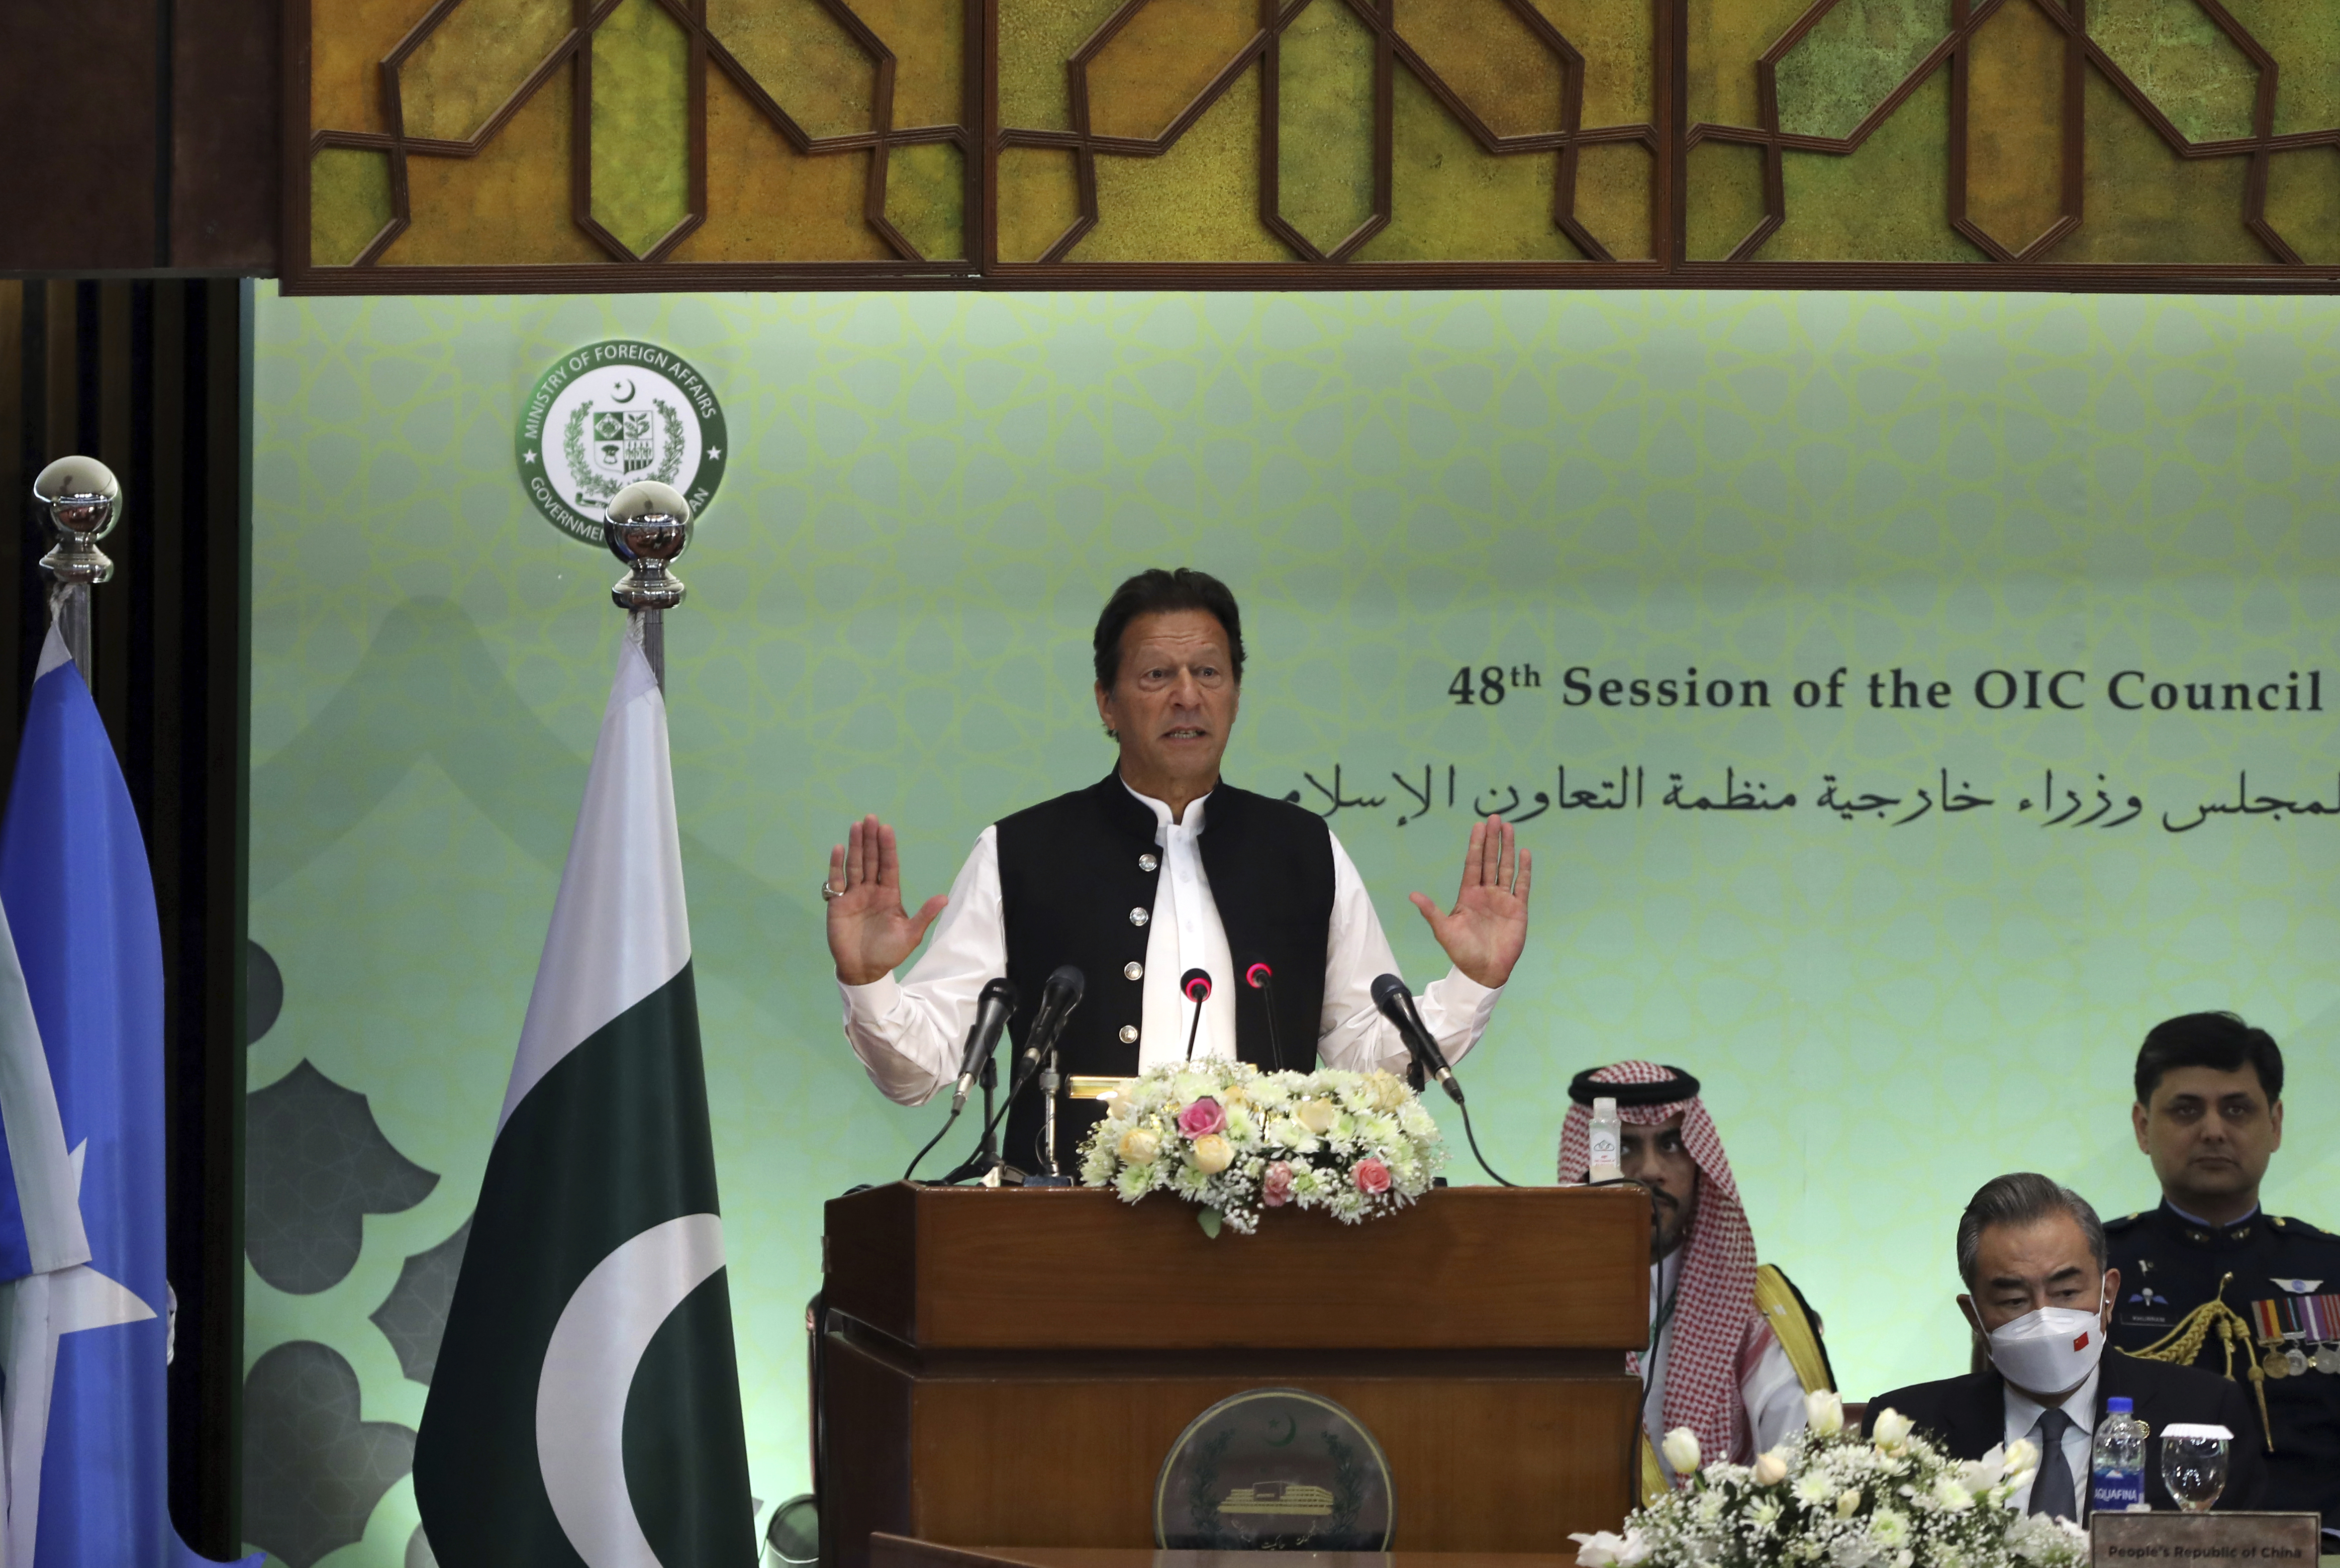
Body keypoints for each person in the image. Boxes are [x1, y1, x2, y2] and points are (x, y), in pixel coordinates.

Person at [825, 567, 1533, 1172]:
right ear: (1107, 702)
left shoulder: (1303, 849)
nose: (1187, 696)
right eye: (1157, 675)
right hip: (1061, 1248)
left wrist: (1472, 985)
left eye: (1209, 674)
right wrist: (869, 983)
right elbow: (922, 1074)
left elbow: (1365, 1068)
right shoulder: (1022, 850)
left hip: (1266, 1239)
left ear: (1235, 693)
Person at [1865, 1172, 2265, 1517]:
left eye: (2067, 1292)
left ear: (2108, 1296)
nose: (2044, 1318)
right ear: (1975, 1318)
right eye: (2013, 1301)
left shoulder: (2205, 1412)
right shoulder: (1905, 1426)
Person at [2105, 1012, 2338, 1540]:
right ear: (2143, 1127)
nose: (2213, 1130)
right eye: (2186, 1110)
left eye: (2236, 1109)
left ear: (2274, 1125)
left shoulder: (2330, 1270)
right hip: (2136, 1554)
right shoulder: (2093, 1271)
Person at [1558, 1062, 1835, 1495]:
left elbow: (1793, 1472)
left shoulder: (1757, 1311)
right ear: (1587, 1166)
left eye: (1671, 1143)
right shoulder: (1540, 1308)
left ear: (1699, 1161)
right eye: (1624, 1147)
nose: (1650, 1171)